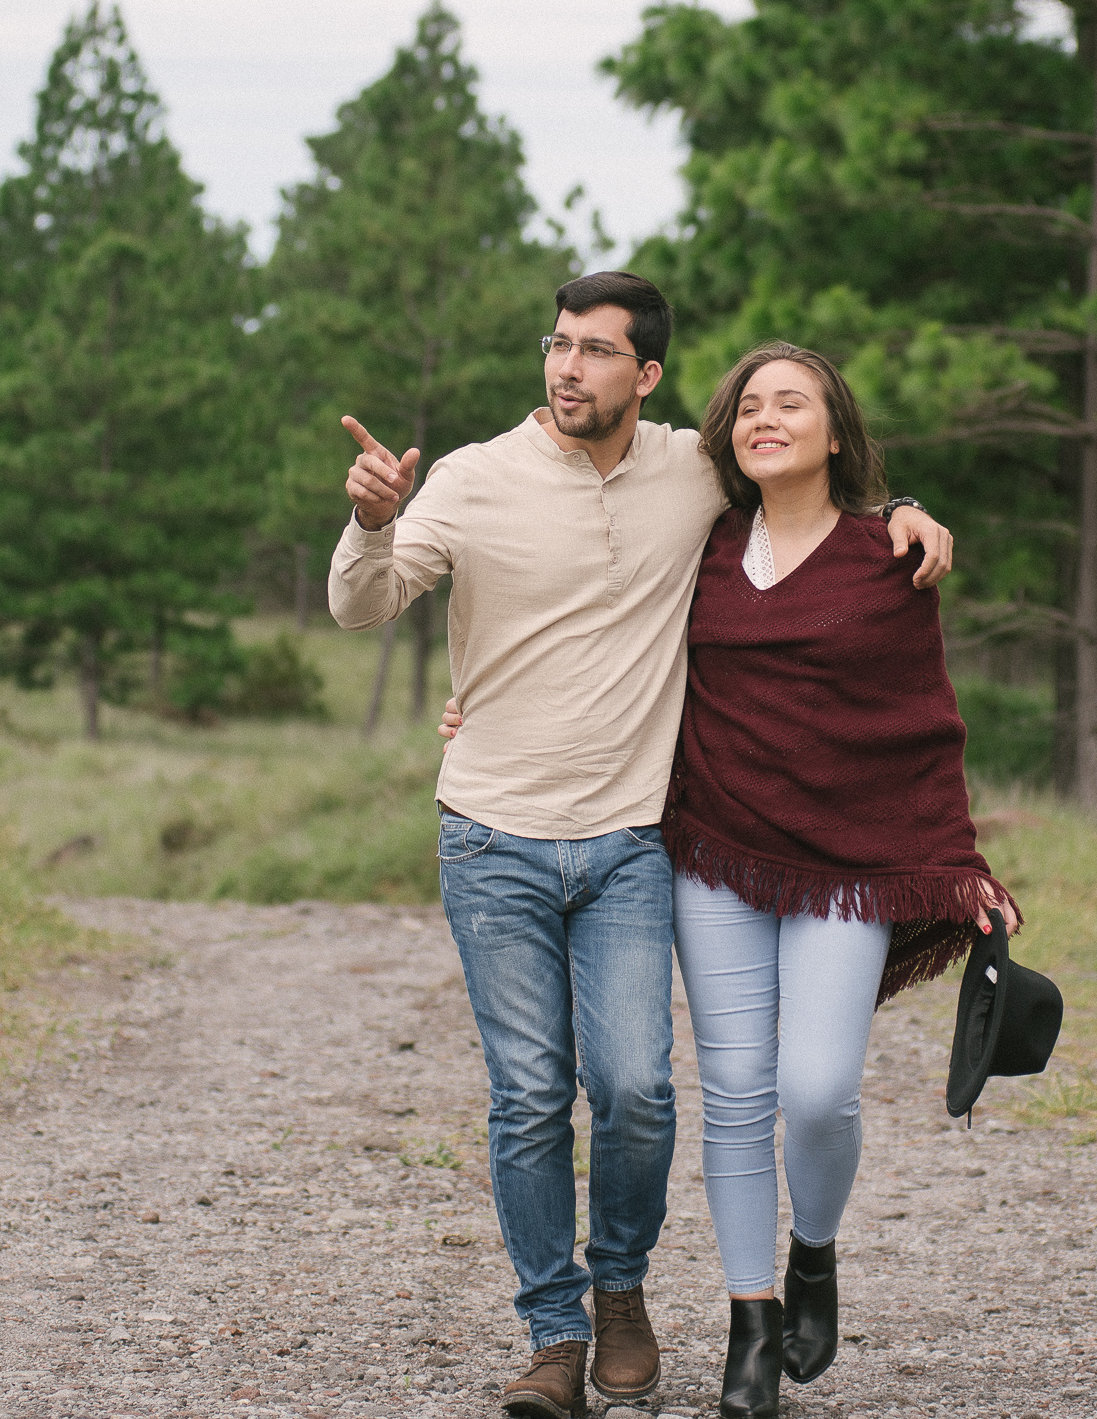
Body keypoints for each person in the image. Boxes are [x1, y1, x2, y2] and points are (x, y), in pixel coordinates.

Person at [329, 273, 953, 1419]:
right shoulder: (470, 479)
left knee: (634, 1091)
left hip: (628, 842)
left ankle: (623, 1292)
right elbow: (365, 606)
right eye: (558, 346)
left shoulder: (689, 472)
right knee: (527, 1096)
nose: (569, 369)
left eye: (598, 352)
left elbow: (799, 472)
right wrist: (370, 522)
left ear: (647, 376)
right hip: (491, 838)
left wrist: (903, 506)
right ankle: (555, 1337)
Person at [666, 342, 1021, 1419]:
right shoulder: (700, 543)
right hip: (715, 847)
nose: (764, 420)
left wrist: (958, 869)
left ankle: (812, 1249)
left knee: (815, 1091)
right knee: (733, 1095)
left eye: (790, 404)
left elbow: (920, 726)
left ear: (834, 432)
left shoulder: (891, 558)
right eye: (747, 408)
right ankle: (750, 1320)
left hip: (847, 869)